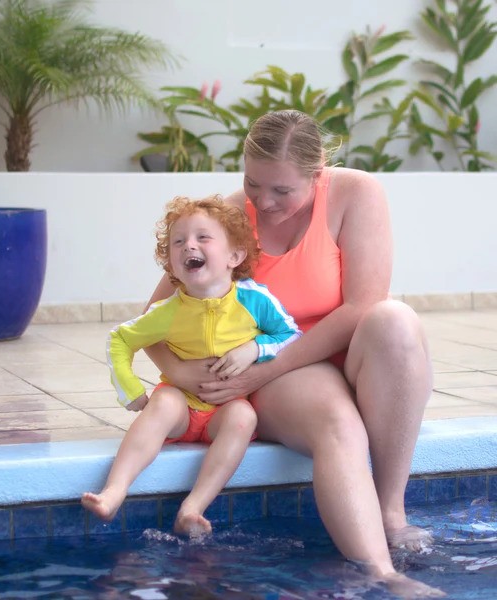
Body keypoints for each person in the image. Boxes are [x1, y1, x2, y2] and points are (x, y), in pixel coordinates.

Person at [143, 111, 445, 597]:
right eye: (252, 183)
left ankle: (391, 509)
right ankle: (382, 575)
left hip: (328, 358)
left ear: (318, 171)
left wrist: (261, 373)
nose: (262, 202)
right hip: (277, 370)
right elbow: (152, 316)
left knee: (395, 320)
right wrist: (182, 371)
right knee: (338, 423)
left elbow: (362, 305)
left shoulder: (356, 194)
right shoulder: (224, 216)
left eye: (281, 191)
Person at [82, 195, 301, 537]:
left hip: (225, 410)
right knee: (164, 401)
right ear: (170, 261)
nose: (189, 246)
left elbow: (291, 334)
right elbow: (120, 339)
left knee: (244, 417)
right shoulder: (168, 311)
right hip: (181, 408)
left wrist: (253, 348)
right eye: (178, 241)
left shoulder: (255, 300)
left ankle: (193, 507)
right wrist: (131, 390)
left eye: (202, 238)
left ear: (235, 256)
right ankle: (114, 491)